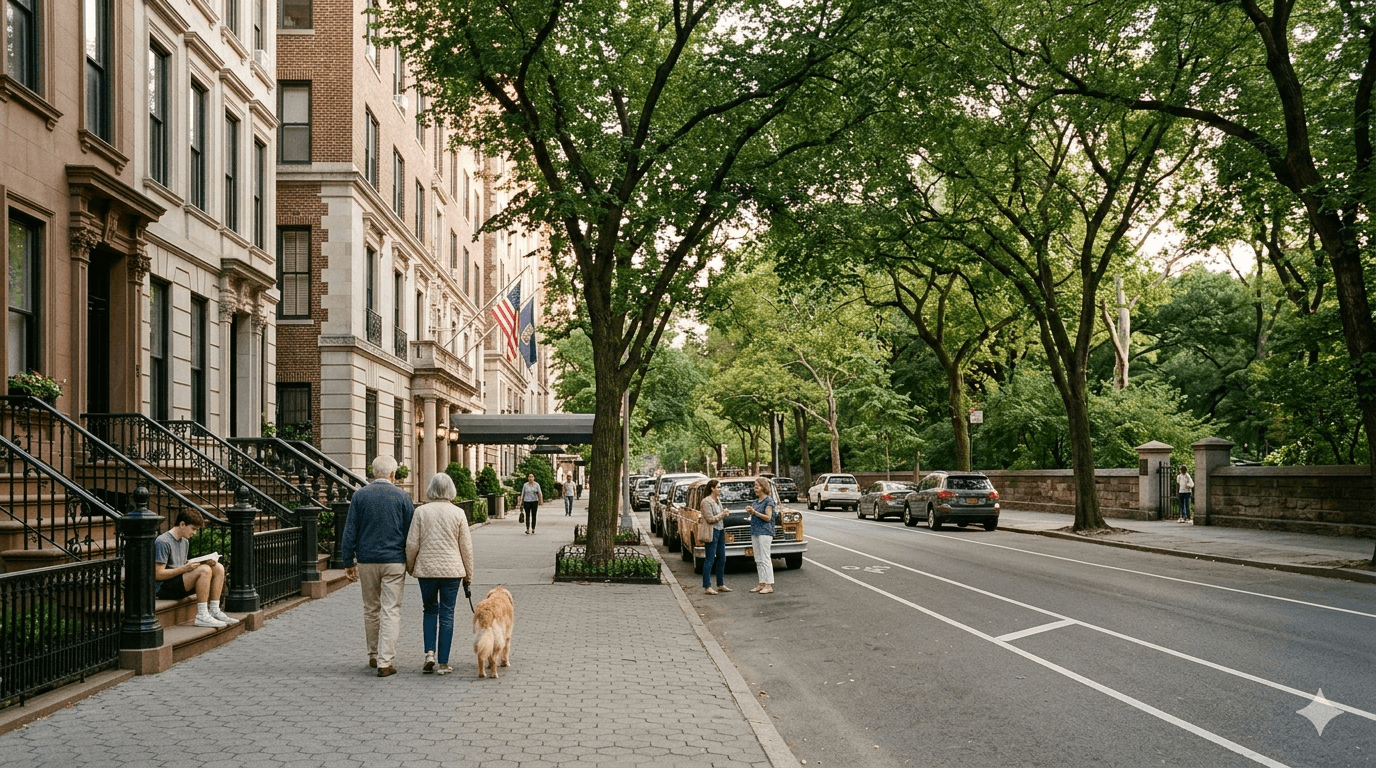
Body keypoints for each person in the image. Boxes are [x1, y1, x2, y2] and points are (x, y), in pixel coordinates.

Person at [340, 456, 415, 677]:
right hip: (394, 561)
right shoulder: (403, 497)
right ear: (393, 474)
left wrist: (348, 561)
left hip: (367, 560)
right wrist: (411, 562)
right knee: (391, 610)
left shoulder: (359, 496)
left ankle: (373, 654)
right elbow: (411, 534)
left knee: (371, 608)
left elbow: (350, 530)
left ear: (373, 473)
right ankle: (385, 661)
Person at [405, 473, 475, 676]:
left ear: (431, 489)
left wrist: (411, 566)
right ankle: (444, 662)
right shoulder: (458, 513)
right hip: (452, 571)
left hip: (426, 570)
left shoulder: (421, 512)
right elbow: (466, 548)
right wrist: (468, 575)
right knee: (447, 613)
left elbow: (412, 544)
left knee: (429, 610)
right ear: (451, 490)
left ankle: (429, 654)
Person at [154, 508, 238, 628]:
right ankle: (202, 615)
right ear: (182, 524)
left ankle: (214, 610)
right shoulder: (162, 542)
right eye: (193, 529)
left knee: (218, 567)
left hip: (179, 581)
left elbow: (180, 564)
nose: (194, 533)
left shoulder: (184, 541)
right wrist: (185, 568)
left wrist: (202, 562)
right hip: (163, 588)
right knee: (204, 570)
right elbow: (158, 574)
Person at [699, 479, 730, 595]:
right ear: (712, 488)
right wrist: (723, 514)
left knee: (722, 558)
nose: (720, 489)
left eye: (720, 487)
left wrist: (723, 513)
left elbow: (718, 515)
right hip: (712, 531)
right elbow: (710, 519)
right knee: (710, 558)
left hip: (720, 530)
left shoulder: (717, 500)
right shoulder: (706, 502)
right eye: (718, 487)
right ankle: (707, 586)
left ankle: (720, 584)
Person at [748, 477, 777, 594]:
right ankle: (761, 582)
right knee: (758, 558)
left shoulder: (768, 501)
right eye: (755, 486)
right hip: (755, 531)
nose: (755, 488)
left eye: (757, 486)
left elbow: (768, 517)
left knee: (765, 558)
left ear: (764, 487)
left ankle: (768, 584)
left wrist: (754, 512)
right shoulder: (755, 502)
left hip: (765, 531)